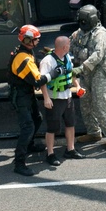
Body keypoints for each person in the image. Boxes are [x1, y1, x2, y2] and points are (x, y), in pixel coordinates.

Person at [8, 25, 80, 176]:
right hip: (20, 96)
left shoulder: (25, 52)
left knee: (37, 119)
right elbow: (38, 80)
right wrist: (54, 73)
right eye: (36, 39)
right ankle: (19, 163)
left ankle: (30, 145)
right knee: (27, 127)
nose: (38, 41)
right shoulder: (23, 58)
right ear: (29, 40)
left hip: (26, 94)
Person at [69, 5, 106, 149]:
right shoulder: (79, 34)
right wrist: (55, 52)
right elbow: (69, 45)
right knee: (85, 103)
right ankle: (94, 132)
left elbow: (98, 55)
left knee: (100, 102)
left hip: (99, 72)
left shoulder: (100, 34)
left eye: (84, 21)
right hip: (85, 72)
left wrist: (80, 68)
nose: (82, 23)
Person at [38, 35, 86, 166]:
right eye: (69, 45)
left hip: (67, 96)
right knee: (52, 127)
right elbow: (42, 81)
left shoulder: (66, 58)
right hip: (54, 98)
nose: (70, 47)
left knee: (70, 123)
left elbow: (70, 74)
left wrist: (78, 86)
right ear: (64, 47)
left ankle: (70, 149)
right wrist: (46, 98)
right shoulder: (48, 61)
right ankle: (50, 153)